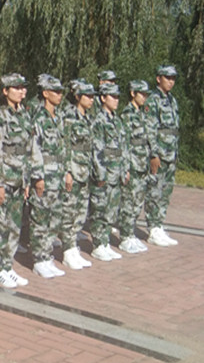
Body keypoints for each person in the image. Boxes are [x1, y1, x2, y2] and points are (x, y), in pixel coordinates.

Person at [0, 73, 35, 289]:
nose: (20, 91)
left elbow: (28, 150)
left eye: (22, 87)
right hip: (4, 180)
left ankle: (8, 265)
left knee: (15, 226)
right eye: (15, 88)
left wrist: (27, 181)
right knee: (1, 226)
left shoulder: (24, 116)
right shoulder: (0, 117)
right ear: (5, 91)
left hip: (18, 180)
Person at [27, 75, 68, 279]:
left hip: (57, 177)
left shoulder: (58, 117)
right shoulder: (39, 118)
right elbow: (34, 148)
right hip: (45, 176)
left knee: (55, 219)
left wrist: (66, 172)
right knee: (40, 220)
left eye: (61, 92)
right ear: (45, 93)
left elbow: (63, 147)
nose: (60, 95)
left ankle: (47, 255)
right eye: (56, 91)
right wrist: (38, 176)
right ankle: (39, 259)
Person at [89, 83, 129, 261]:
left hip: (116, 172)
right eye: (113, 97)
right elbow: (97, 149)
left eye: (118, 97)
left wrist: (125, 168)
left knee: (111, 209)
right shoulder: (98, 121)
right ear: (103, 98)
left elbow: (123, 147)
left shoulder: (117, 121)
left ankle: (105, 242)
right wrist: (100, 174)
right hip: (105, 173)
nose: (116, 100)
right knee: (100, 209)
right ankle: (98, 244)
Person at [59, 80, 96, 270]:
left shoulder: (88, 119)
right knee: (69, 211)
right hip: (72, 170)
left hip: (84, 171)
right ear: (77, 97)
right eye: (87, 96)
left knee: (80, 212)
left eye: (92, 96)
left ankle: (73, 247)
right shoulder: (69, 116)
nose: (91, 99)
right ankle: (67, 249)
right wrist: (66, 171)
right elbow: (65, 145)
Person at [145, 65, 180, 247]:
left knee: (166, 192)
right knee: (155, 191)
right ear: (159, 79)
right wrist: (154, 154)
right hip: (159, 153)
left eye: (173, 78)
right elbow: (150, 129)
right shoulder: (153, 100)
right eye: (167, 78)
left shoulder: (172, 100)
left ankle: (159, 224)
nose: (171, 82)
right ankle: (153, 228)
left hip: (171, 154)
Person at [118, 80, 152, 254]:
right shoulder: (127, 114)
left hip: (142, 164)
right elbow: (124, 143)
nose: (144, 97)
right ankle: (125, 236)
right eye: (142, 93)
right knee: (128, 202)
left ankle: (131, 233)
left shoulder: (142, 114)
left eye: (146, 94)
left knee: (138, 202)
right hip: (132, 164)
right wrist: (126, 167)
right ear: (133, 93)